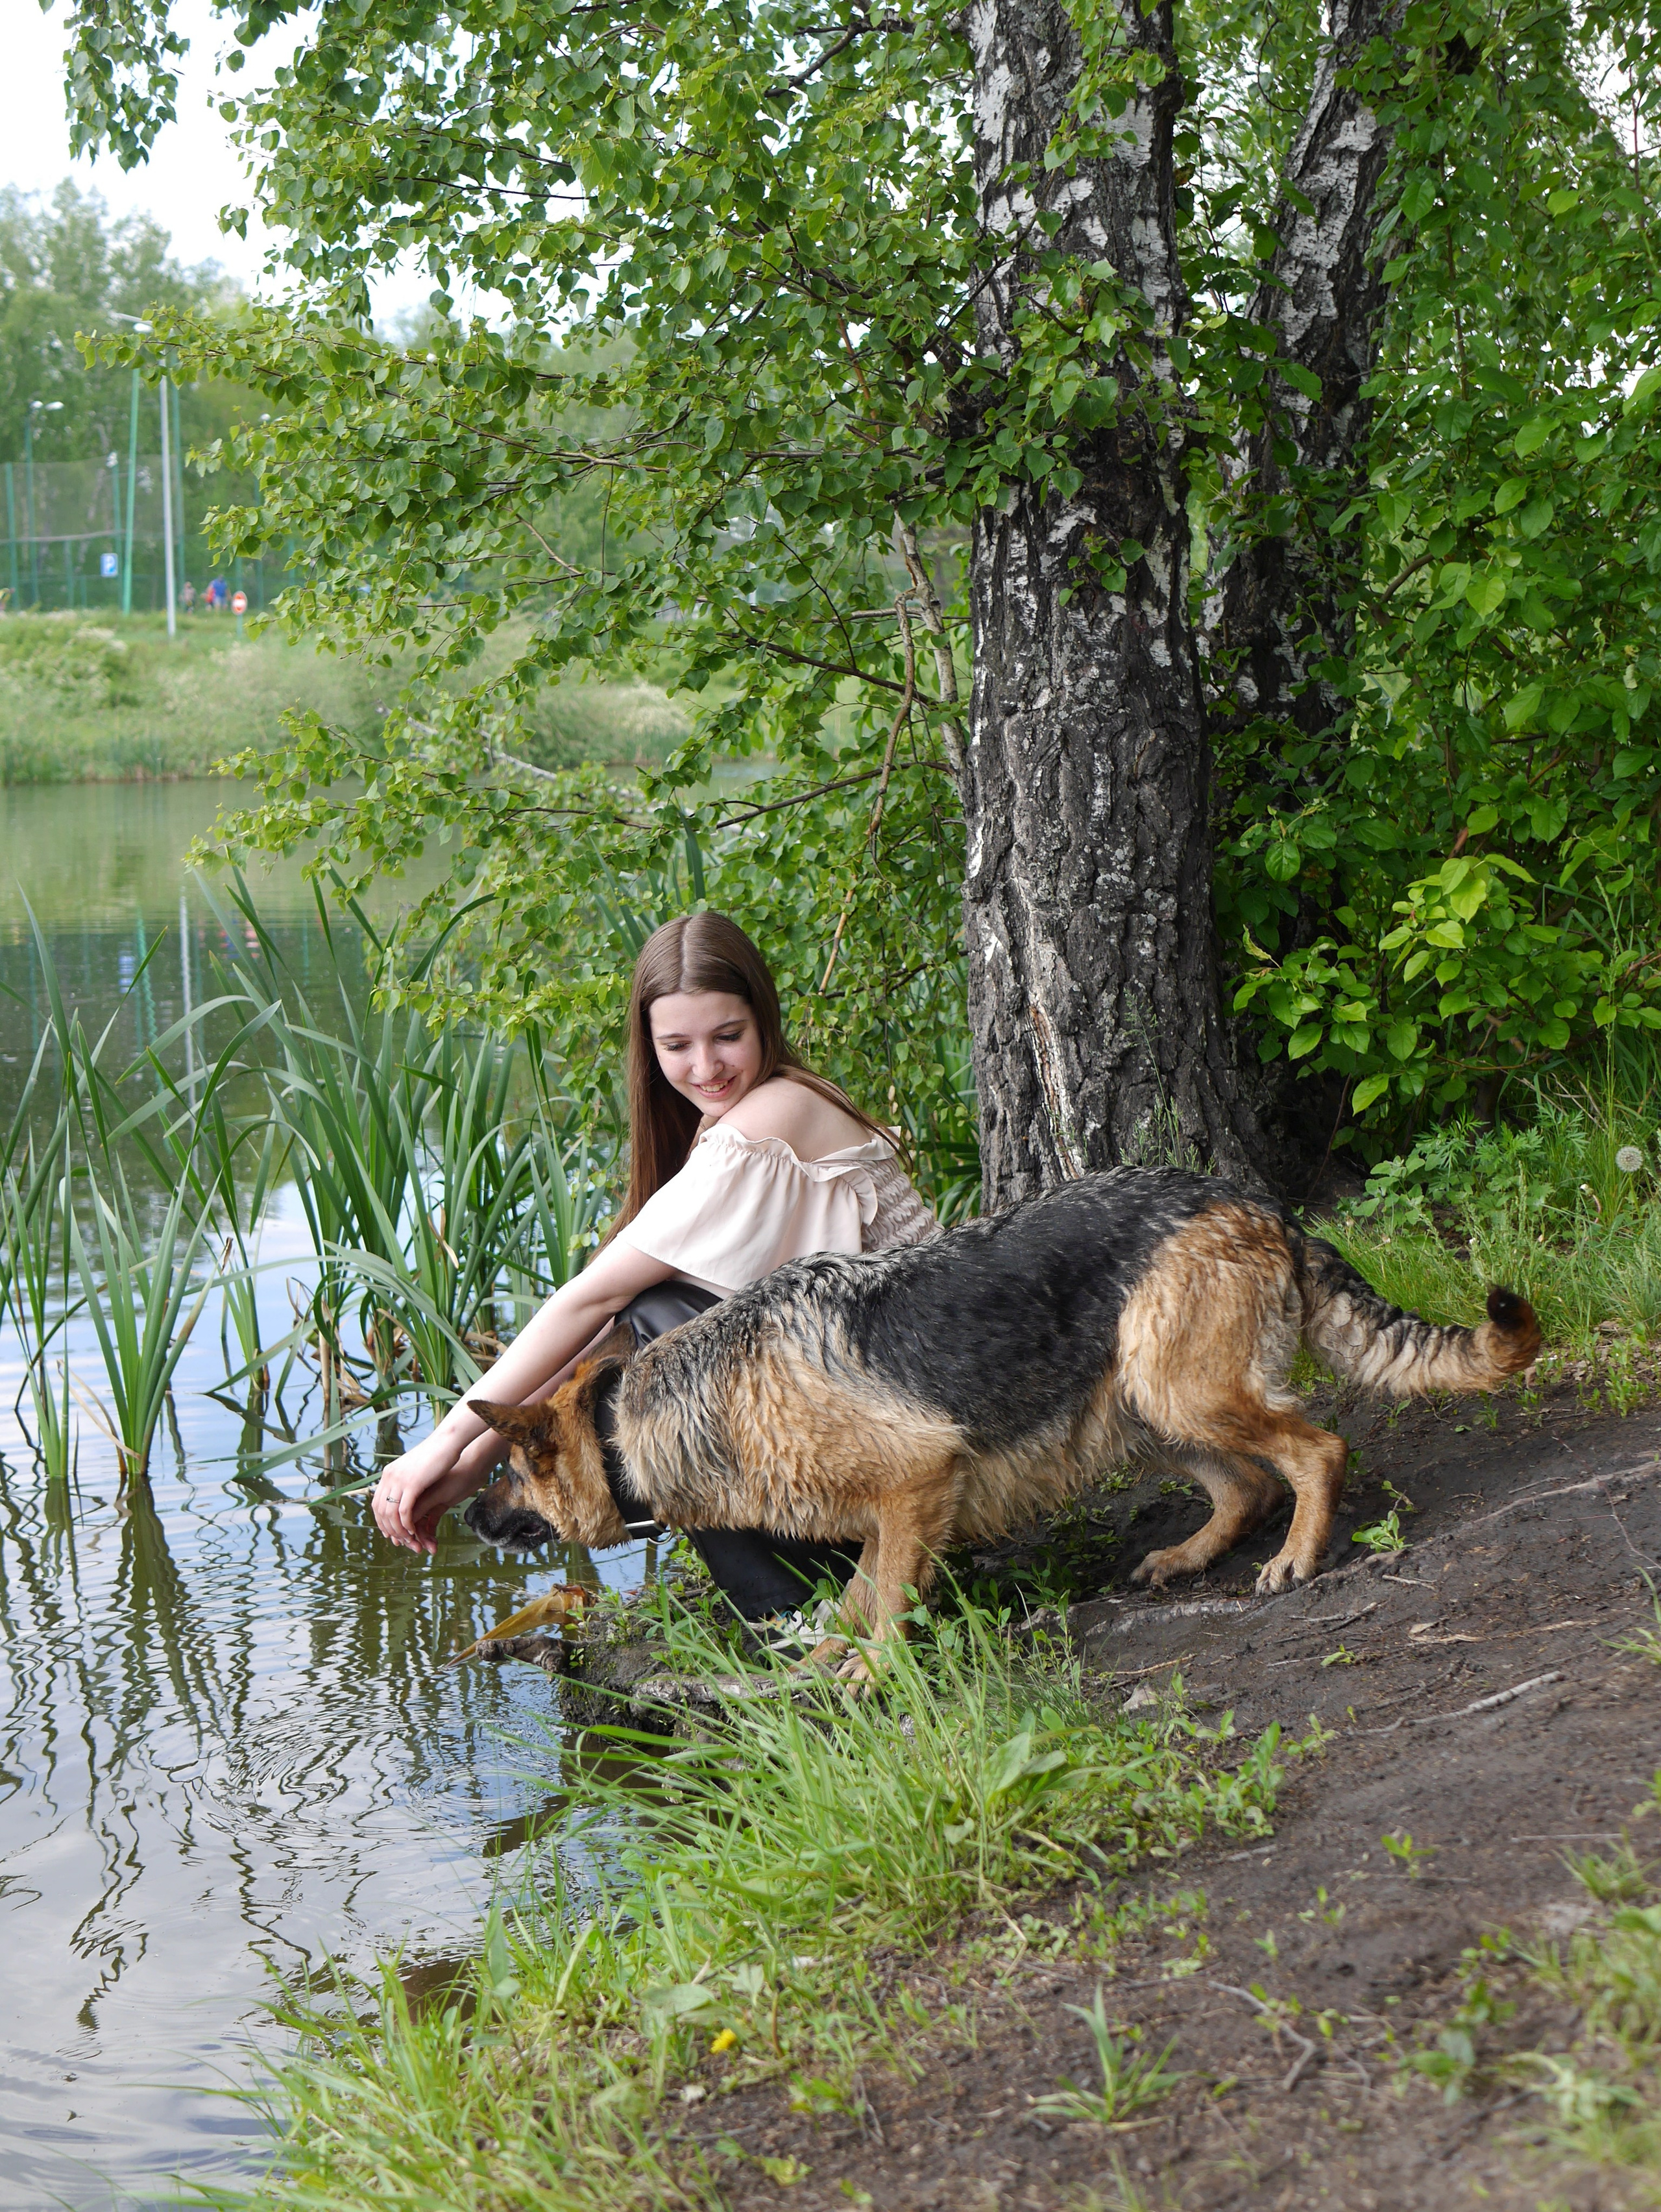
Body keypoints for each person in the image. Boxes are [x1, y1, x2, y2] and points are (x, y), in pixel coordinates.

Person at [371, 912, 938, 1616]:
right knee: (655, 1320)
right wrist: (472, 1461)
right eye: (677, 1045)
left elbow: (595, 1304)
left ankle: (790, 1609)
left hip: (915, 1444)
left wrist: (444, 1441)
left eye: (728, 1036)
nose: (706, 1067)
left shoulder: (776, 1116)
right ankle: (801, 1592)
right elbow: (596, 1323)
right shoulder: (733, 1123)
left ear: (763, 1019)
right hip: (878, 1423)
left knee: (658, 1331)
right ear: (649, 1046)